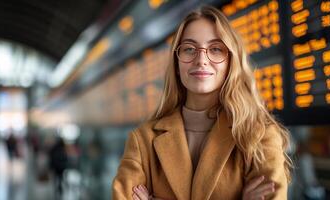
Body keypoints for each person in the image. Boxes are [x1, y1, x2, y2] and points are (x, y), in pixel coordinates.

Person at [112, 6, 292, 200]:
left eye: (215, 49)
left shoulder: (259, 136)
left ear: (231, 61)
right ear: (177, 64)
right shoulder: (143, 141)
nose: (201, 60)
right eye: (189, 49)